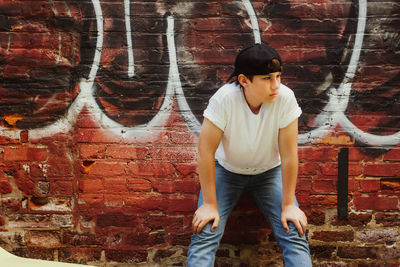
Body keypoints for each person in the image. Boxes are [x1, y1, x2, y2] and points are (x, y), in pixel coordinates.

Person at [186, 43, 312, 266]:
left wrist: (289, 205)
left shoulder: (285, 98)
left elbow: (290, 155)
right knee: (205, 231)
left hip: (269, 173)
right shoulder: (224, 99)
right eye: (266, 78)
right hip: (226, 171)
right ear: (244, 80)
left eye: (278, 76)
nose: (276, 85)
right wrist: (209, 204)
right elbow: (205, 152)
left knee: (294, 231)